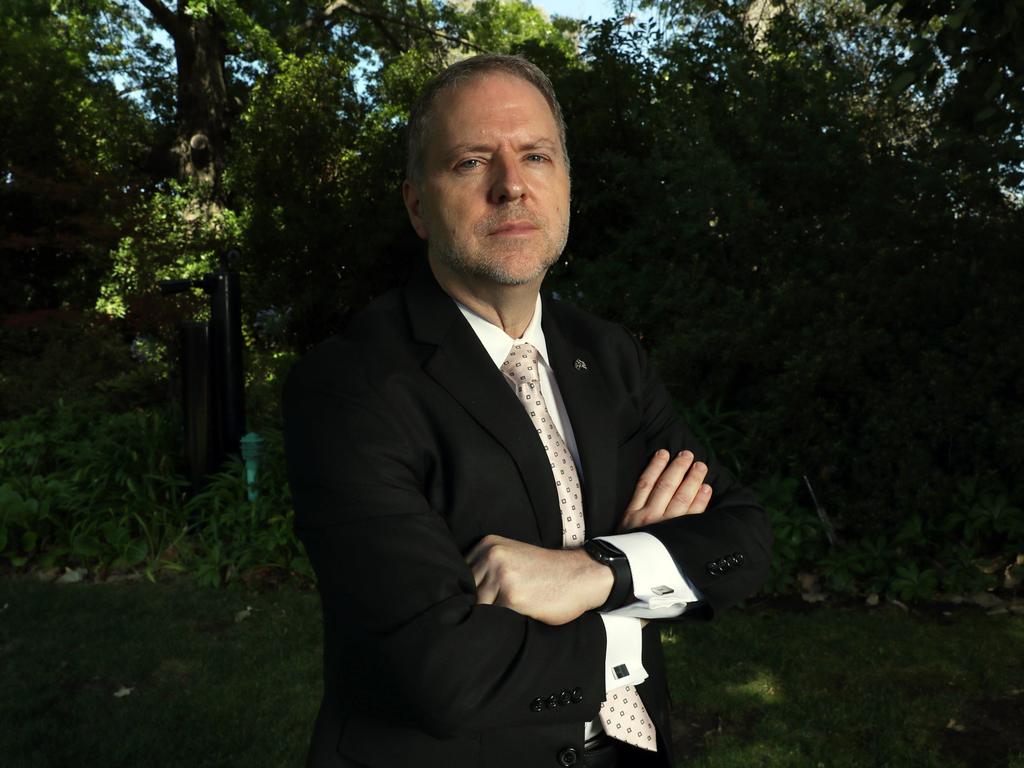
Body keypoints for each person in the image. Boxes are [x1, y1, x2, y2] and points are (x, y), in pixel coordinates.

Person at [283, 53, 771, 768]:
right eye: (472, 161)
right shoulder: (350, 387)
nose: (512, 185)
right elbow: (444, 673)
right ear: (418, 205)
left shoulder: (606, 355)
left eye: (536, 156)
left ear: (565, 183)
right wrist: (647, 587)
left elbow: (743, 542)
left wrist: (595, 574)